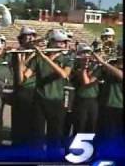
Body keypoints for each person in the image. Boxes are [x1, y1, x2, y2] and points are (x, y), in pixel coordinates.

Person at [22, 29, 74, 158]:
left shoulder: (67, 59)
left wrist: (45, 57)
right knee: (37, 134)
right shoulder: (38, 59)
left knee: (55, 135)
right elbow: (24, 76)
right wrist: (22, 57)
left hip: (57, 101)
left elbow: (63, 74)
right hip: (39, 100)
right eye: (60, 42)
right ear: (51, 42)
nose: (64, 45)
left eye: (65, 42)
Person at [12, 26, 43, 146]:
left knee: (33, 123)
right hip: (21, 90)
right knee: (19, 123)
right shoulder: (18, 53)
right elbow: (22, 74)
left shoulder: (38, 53)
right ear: (21, 39)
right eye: (27, 36)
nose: (31, 38)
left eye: (33, 36)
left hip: (35, 91)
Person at [95, 39, 123, 140]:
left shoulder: (109, 64)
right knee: (104, 135)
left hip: (119, 106)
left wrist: (103, 63)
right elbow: (95, 77)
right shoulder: (111, 62)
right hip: (106, 104)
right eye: (119, 49)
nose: (120, 52)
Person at [72, 43, 100, 133]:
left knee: (91, 126)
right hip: (80, 99)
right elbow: (84, 81)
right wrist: (83, 67)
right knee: (80, 125)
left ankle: (88, 146)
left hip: (93, 100)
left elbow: (90, 81)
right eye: (83, 53)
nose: (86, 55)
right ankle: (78, 146)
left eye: (88, 52)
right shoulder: (75, 66)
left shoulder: (96, 66)